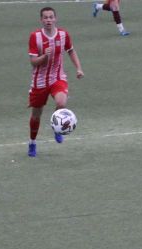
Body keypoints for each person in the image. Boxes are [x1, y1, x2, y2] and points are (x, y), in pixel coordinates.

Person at [27, 6, 84, 157]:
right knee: (36, 115)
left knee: (61, 102)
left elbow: (71, 50)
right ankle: (32, 142)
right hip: (39, 82)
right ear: (41, 20)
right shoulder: (35, 37)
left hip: (58, 77)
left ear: (55, 18)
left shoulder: (63, 35)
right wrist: (44, 57)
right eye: (45, 17)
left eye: (51, 17)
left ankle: (57, 127)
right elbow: (33, 62)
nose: (48, 20)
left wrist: (79, 68)